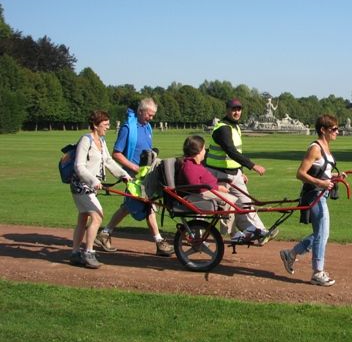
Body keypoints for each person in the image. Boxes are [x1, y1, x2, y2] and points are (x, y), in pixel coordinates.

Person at [96, 98, 174, 256]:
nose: (151, 118)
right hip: (133, 176)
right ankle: (159, 242)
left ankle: (104, 234)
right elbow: (116, 154)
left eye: (153, 115)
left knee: (129, 207)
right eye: (149, 115)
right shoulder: (127, 128)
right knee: (148, 206)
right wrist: (134, 168)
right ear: (140, 111)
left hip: (146, 174)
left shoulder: (148, 127)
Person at [279, 114, 343, 286]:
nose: (337, 132)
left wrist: (336, 176)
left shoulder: (326, 147)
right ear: (323, 130)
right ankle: (317, 272)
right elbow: (300, 173)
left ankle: (291, 254)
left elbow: (323, 172)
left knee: (321, 234)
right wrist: (321, 183)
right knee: (322, 233)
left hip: (322, 194)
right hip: (314, 195)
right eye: (334, 129)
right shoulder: (315, 148)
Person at [205, 98, 277, 243]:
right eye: (233, 109)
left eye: (239, 109)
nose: (236, 112)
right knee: (221, 208)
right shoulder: (222, 128)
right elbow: (231, 151)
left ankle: (260, 232)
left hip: (234, 174)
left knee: (246, 203)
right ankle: (221, 234)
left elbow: (237, 152)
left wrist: (241, 170)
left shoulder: (235, 127)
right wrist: (252, 165)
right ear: (227, 110)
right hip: (218, 174)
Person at [69, 111, 131, 269]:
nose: (108, 128)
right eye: (105, 125)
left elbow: (108, 161)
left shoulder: (101, 140)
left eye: (108, 124)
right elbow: (79, 166)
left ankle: (75, 253)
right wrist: (94, 181)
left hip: (91, 186)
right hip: (81, 186)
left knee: (83, 218)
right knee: (97, 216)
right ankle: (88, 253)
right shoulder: (85, 140)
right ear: (95, 126)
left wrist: (124, 175)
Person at [177, 135, 238, 237]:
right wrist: (217, 188)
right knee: (229, 200)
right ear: (198, 151)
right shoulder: (189, 166)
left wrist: (217, 187)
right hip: (195, 195)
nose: (205, 151)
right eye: (204, 149)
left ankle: (230, 231)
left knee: (231, 200)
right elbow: (195, 186)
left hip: (204, 192)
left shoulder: (197, 164)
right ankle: (230, 233)